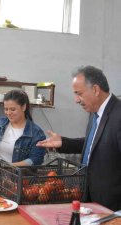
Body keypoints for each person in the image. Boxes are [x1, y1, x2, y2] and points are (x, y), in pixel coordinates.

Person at [36, 65, 121, 211]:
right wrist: (63, 143)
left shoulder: (118, 114)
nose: (76, 100)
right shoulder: (95, 113)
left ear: (95, 89)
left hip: (112, 206)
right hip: (91, 199)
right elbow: (95, 143)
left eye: (79, 93)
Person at [0, 89, 46, 169]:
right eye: (6, 109)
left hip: (19, 179)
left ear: (24, 107)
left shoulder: (37, 133)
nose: (8, 113)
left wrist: (7, 167)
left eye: (12, 109)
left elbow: (35, 160)